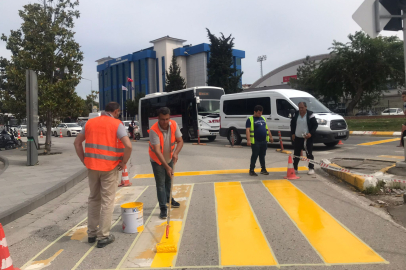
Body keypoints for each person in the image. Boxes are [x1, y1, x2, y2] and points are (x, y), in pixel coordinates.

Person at [73, 102, 132, 248]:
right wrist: (123, 163)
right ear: (116, 111)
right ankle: (103, 236)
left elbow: (77, 143)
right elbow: (128, 146)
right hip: (109, 168)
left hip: (92, 167)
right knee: (107, 201)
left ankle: (91, 234)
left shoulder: (90, 123)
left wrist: (84, 160)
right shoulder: (116, 124)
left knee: (94, 199)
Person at [149, 107, 184, 219]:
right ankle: (163, 208)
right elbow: (157, 151)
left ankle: (169, 199)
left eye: (167, 119)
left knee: (169, 181)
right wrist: (167, 167)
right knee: (161, 184)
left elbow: (180, 141)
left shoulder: (173, 125)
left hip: (169, 158)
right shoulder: (154, 130)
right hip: (157, 160)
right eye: (162, 119)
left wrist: (176, 153)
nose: (165, 122)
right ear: (158, 118)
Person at [290, 102, 318, 175]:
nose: (301, 109)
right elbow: (292, 124)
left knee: (309, 153)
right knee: (296, 154)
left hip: (307, 138)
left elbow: (315, 125)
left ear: (306, 107)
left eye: (302, 107)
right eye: (299, 108)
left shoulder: (310, 114)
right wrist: (292, 133)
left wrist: (310, 133)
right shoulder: (295, 114)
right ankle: (295, 168)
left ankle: (311, 168)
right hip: (298, 137)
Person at [246, 105, 274, 176]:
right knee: (255, 155)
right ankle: (251, 170)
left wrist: (271, 137)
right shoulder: (250, 119)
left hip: (263, 141)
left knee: (262, 155)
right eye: (258, 113)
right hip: (255, 141)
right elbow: (247, 130)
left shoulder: (263, 118)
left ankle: (263, 169)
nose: (260, 114)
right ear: (254, 112)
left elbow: (267, 128)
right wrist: (248, 140)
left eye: (261, 112)